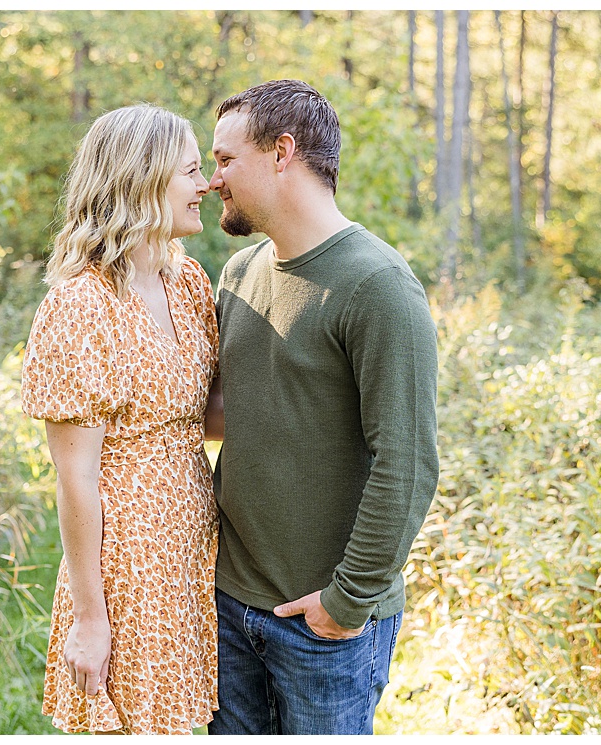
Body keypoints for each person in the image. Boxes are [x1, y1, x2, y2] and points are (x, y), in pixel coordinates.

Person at [204, 79, 440, 735]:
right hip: (231, 605)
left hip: (324, 624)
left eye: (226, 160)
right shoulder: (239, 274)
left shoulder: (378, 286)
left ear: (282, 152)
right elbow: (234, 417)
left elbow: (409, 460)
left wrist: (347, 600)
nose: (213, 179)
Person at [20, 104, 222, 734]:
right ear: (144, 181)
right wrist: (89, 615)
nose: (207, 185)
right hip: (126, 563)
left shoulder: (188, 282)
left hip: (190, 552)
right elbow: (74, 476)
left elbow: (200, 417)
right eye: (191, 172)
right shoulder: (81, 305)